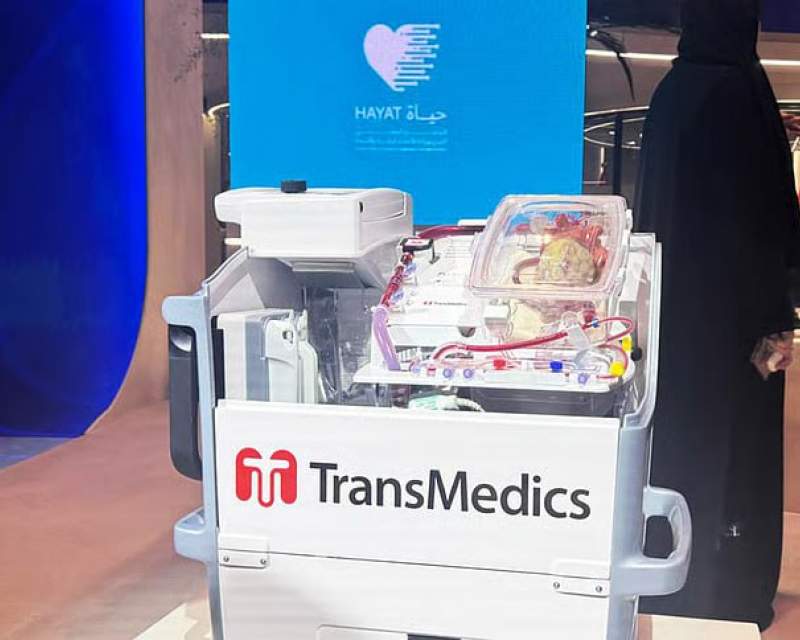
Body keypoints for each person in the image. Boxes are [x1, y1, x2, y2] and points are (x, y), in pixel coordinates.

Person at [634, 0, 800, 630]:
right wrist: (777, 316)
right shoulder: (739, 95)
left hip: (679, 317)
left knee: (684, 443)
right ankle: (729, 587)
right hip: (737, 324)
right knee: (737, 452)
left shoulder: (673, 93)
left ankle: (676, 575)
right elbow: (762, 223)